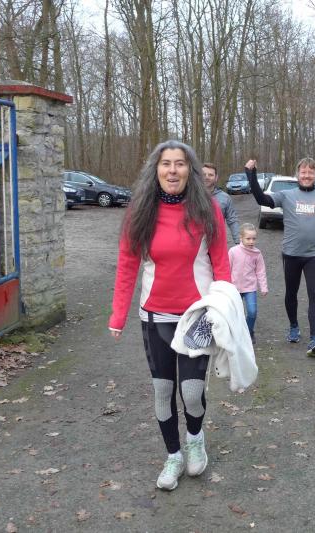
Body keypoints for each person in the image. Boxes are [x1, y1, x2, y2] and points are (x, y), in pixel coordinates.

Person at [109, 140, 231, 491]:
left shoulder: (207, 208)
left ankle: (195, 438)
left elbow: (221, 260)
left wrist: (226, 306)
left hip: (198, 314)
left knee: (191, 392)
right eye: (166, 163)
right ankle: (173, 455)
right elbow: (127, 264)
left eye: (180, 163)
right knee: (163, 390)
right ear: (156, 169)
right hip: (155, 316)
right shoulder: (141, 210)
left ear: (190, 170)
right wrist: (118, 315)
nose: (173, 170)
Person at [244, 157, 315, 356]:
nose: (307, 175)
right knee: (291, 292)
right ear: (297, 175)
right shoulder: (286, 195)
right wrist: (251, 175)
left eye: (310, 172)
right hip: (291, 254)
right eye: (303, 172)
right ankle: (294, 326)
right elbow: (262, 200)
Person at [228, 223, 269, 344]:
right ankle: (234, 334)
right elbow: (227, 268)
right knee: (235, 313)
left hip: (250, 288)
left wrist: (263, 287)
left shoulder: (257, 254)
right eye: (248, 238)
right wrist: (224, 285)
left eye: (254, 239)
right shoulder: (233, 251)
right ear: (241, 238)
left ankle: (248, 332)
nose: (251, 241)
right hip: (234, 288)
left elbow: (260, 271)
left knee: (252, 312)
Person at [202, 162, 240, 244]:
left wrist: (239, 242)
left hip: (217, 243)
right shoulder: (191, 196)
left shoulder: (225, 198)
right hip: (194, 245)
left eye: (210, 175)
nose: (206, 177)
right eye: (204, 174)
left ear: (216, 178)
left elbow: (232, 220)